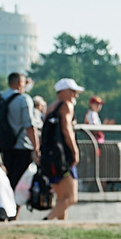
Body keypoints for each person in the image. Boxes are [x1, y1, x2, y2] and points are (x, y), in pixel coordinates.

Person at [0, 72, 37, 204]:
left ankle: (4, 206)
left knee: (7, 179)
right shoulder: (24, 99)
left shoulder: (0, 97)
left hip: (4, 146)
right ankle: (13, 212)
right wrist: (36, 148)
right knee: (20, 183)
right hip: (22, 146)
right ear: (20, 83)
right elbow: (29, 126)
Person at [38, 78, 81, 219]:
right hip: (63, 156)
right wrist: (74, 151)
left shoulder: (51, 107)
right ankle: (46, 221)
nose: (75, 95)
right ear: (63, 92)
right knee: (71, 197)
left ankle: (62, 226)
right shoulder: (66, 106)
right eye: (73, 92)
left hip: (49, 157)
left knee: (61, 198)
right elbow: (66, 129)